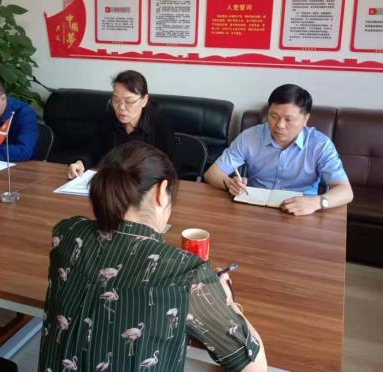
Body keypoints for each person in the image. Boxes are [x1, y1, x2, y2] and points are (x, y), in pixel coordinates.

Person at [40, 142, 267, 372]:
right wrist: (227, 301)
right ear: (161, 191)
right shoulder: (185, 273)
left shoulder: (67, 232)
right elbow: (256, 367)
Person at [204, 84, 353, 215]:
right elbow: (212, 173)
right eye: (274, 116)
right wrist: (230, 184)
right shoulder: (250, 137)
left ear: (305, 119)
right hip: (255, 208)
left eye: (289, 119)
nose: (279, 125)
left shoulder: (320, 145)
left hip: (301, 210)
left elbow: (346, 191)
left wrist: (317, 202)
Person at [67, 70, 175, 178]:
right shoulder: (108, 119)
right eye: (116, 100)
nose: (121, 107)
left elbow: (169, 166)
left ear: (144, 100)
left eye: (129, 101)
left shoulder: (160, 124)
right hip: (114, 181)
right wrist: (81, 163)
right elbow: (93, 150)